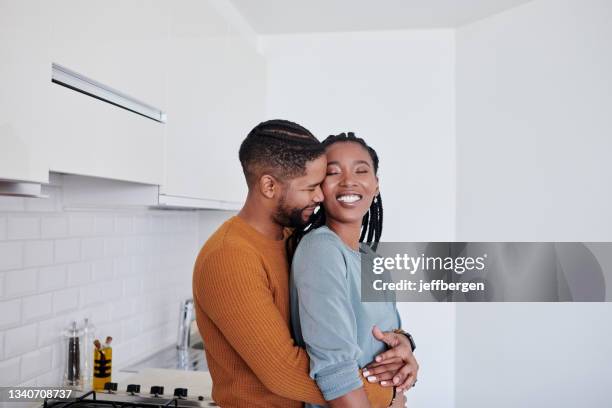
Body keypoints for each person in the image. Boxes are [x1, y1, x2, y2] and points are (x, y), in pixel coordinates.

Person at [193, 120, 416, 407]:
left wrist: (404, 346)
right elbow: (283, 371)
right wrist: (388, 392)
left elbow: (362, 323)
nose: (320, 196)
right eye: (311, 186)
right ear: (269, 186)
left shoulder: (292, 238)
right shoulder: (230, 257)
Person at [289, 132, 419, 408]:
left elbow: (389, 331)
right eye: (333, 172)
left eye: (361, 170)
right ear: (319, 187)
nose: (349, 181)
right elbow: (335, 372)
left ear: (376, 185)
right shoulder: (321, 249)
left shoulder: (369, 257)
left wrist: (405, 346)